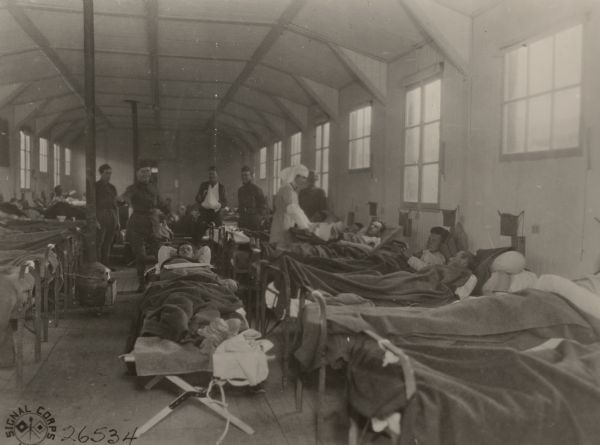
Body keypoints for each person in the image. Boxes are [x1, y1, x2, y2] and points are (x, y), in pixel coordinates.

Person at [119, 161, 165, 292]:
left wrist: (169, 212)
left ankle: (160, 281)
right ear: (137, 174)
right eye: (143, 171)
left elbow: (161, 202)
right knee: (140, 256)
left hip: (153, 223)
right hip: (137, 224)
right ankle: (142, 283)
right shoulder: (132, 188)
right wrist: (122, 199)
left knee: (159, 253)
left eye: (148, 171)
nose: (146, 174)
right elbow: (126, 197)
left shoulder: (154, 187)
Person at [269, 164, 311, 247]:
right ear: (296, 177)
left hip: (286, 223)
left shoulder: (292, 190)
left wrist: (308, 224)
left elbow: (298, 210)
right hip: (282, 224)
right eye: (303, 178)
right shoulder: (287, 189)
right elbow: (293, 209)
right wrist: (305, 227)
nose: (305, 181)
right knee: (280, 248)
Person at [194, 166, 227, 244]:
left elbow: (225, 202)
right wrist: (200, 197)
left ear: (217, 176)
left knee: (216, 235)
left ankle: (215, 251)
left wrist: (219, 204)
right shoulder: (204, 185)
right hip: (204, 213)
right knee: (200, 231)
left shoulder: (221, 187)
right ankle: (200, 247)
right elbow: (197, 198)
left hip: (215, 214)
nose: (211, 177)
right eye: (210, 175)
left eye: (213, 175)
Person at [95, 164, 119, 268]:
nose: (109, 176)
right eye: (106, 173)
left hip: (112, 216)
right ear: (101, 173)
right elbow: (91, 205)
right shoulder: (95, 186)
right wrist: (95, 220)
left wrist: (117, 221)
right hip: (100, 215)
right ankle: (98, 265)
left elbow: (115, 205)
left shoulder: (112, 188)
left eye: (110, 173)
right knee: (99, 242)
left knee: (109, 242)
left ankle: (106, 264)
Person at [237, 166, 267, 231]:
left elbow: (263, 208)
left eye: (246, 175)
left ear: (251, 176)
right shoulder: (240, 190)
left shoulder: (257, 189)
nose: (244, 177)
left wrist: (257, 220)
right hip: (242, 222)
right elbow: (240, 206)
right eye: (242, 175)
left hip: (253, 223)